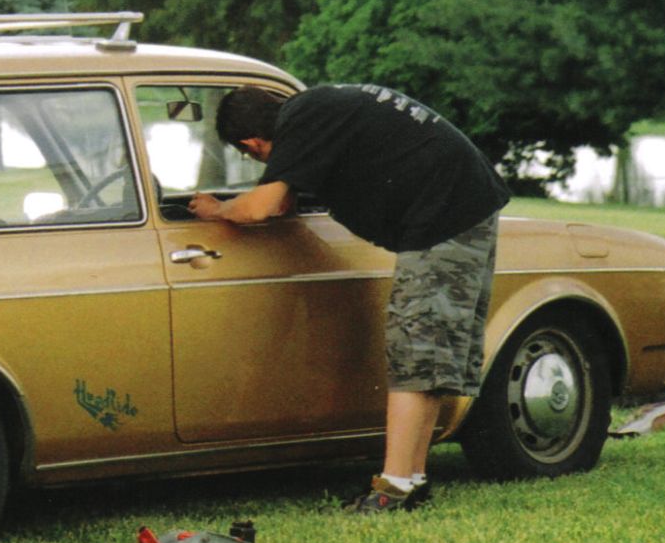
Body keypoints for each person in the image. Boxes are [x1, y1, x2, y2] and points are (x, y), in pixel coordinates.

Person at [189, 84, 508, 513]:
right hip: (463, 204)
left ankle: (393, 488)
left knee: (415, 347)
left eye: (256, 157)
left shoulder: (301, 123)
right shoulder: (314, 110)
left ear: (253, 145)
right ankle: (411, 479)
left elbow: (263, 207)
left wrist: (216, 211)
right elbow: (284, 202)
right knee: (427, 351)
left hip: (444, 214)